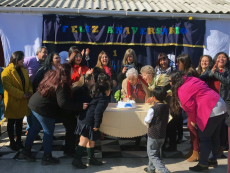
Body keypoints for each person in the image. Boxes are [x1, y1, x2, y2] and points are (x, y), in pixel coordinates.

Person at [19, 64, 88, 165]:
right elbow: (63, 103)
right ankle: (47, 156)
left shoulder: (53, 76)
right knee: (48, 132)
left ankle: (26, 151)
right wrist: (79, 106)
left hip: (34, 103)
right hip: (43, 109)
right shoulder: (62, 84)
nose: (74, 72)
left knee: (34, 128)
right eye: (72, 71)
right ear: (68, 73)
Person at [169, 70, 227, 172]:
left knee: (205, 138)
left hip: (211, 110)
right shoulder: (192, 79)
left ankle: (203, 164)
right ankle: (212, 160)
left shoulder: (182, 90)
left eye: (170, 81)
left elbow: (189, 107)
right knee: (214, 136)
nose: (169, 83)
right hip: (220, 105)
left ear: (175, 80)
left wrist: (193, 120)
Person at [72, 81, 110, 169]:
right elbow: (98, 112)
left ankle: (91, 158)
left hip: (84, 118)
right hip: (88, 121)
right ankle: (76, 160)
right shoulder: (103, 98)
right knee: (83, 141)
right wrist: (97, 124)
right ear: (106, 90)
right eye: (110, 89)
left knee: (91, 139)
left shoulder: (95, 94)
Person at [199, 52, 230, 157]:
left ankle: (220, 148)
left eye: (224, 57)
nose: (221, 58)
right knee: (212, 127)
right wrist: (211, 72)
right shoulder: (210, 69)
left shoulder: (228, 71)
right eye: (219, 57)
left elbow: (226, 81)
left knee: (222, 126)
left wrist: (215, 73)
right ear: (216, 59)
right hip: (210, 101)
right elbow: (201, 78)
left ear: (226, 60)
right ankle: (212, 150)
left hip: (223, 101)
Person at [1, 51, 33, 151]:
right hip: (12, 102)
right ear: (16, 59)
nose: (23, 61)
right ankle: (12, 142)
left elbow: (28, 83)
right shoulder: (6, 71)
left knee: (19, 122)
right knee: (11, 123)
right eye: (21, 59)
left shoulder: (23, 70)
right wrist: (21, 94)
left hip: (22, 101)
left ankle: (19, 141)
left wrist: (29, 92)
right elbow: (8, 87)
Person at [176, 54, 200, 162]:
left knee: (192, 128)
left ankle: (196, 152)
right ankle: (192, 149)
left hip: (194, 104)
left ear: (184, 62)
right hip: (191, 103)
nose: (177, 64)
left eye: (179, 62)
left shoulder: (191, 73)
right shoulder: (185, 72)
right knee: (191, 128)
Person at [144, 86, 171, 173]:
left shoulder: (153, 109)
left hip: (153, 134)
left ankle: (164, 171)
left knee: (152, 154)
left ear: (154, 97)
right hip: (162, 134)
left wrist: (146, 123)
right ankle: (151, 169)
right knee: (156, 152)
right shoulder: (167, 107)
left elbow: (147, 121)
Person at [23, 46, 48, 134]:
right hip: (26, 89)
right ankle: (28, 130)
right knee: (27, 109)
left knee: (33, 110)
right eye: (44, 52)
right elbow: (18, 69)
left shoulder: (46, 64)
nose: (46, 54)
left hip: (38, 91)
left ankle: (32, 130)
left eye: (46, 52)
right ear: (38, 53)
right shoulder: (29, 60)